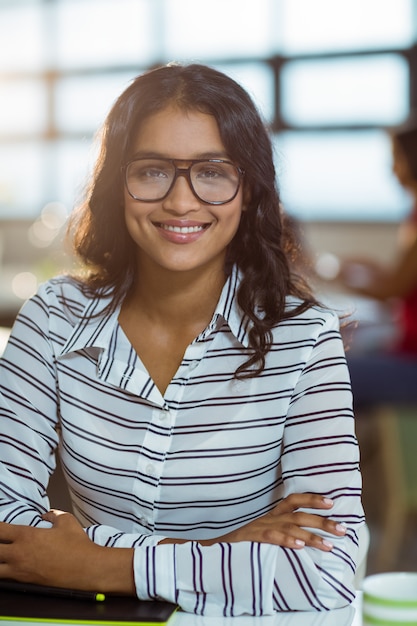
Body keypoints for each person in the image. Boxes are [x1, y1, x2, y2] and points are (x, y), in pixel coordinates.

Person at [0, 63, 364, 616]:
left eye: (213, 172)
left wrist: (96, 565)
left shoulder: (305, 336)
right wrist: (224, 553)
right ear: (116, 182)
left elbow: (329, 572)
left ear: (249, 189)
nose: (180, 202)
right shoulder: (54, 317)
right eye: (152, 171)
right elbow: (8, 529)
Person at [337, 120, 417, 407]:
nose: (392, 168)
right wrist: (368, 269)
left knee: (324, 373)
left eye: (397, 159)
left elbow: (391, 291)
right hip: (404, 348)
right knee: (356, 342)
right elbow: (405, 282)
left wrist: (340, 276)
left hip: (411, 362)